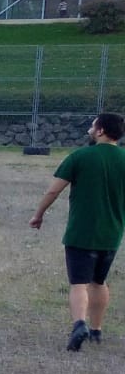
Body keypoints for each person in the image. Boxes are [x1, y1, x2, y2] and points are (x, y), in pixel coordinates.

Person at [30, 112, 125, 350]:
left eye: (92, 127)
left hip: (81, 233)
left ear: (101, 131)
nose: (89, 131)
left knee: (79, 283)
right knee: (99, 281)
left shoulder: (81, 156)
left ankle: (79, 324)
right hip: (112, 233)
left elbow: (53, 191)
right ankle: (96, 330)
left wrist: (38, 214)